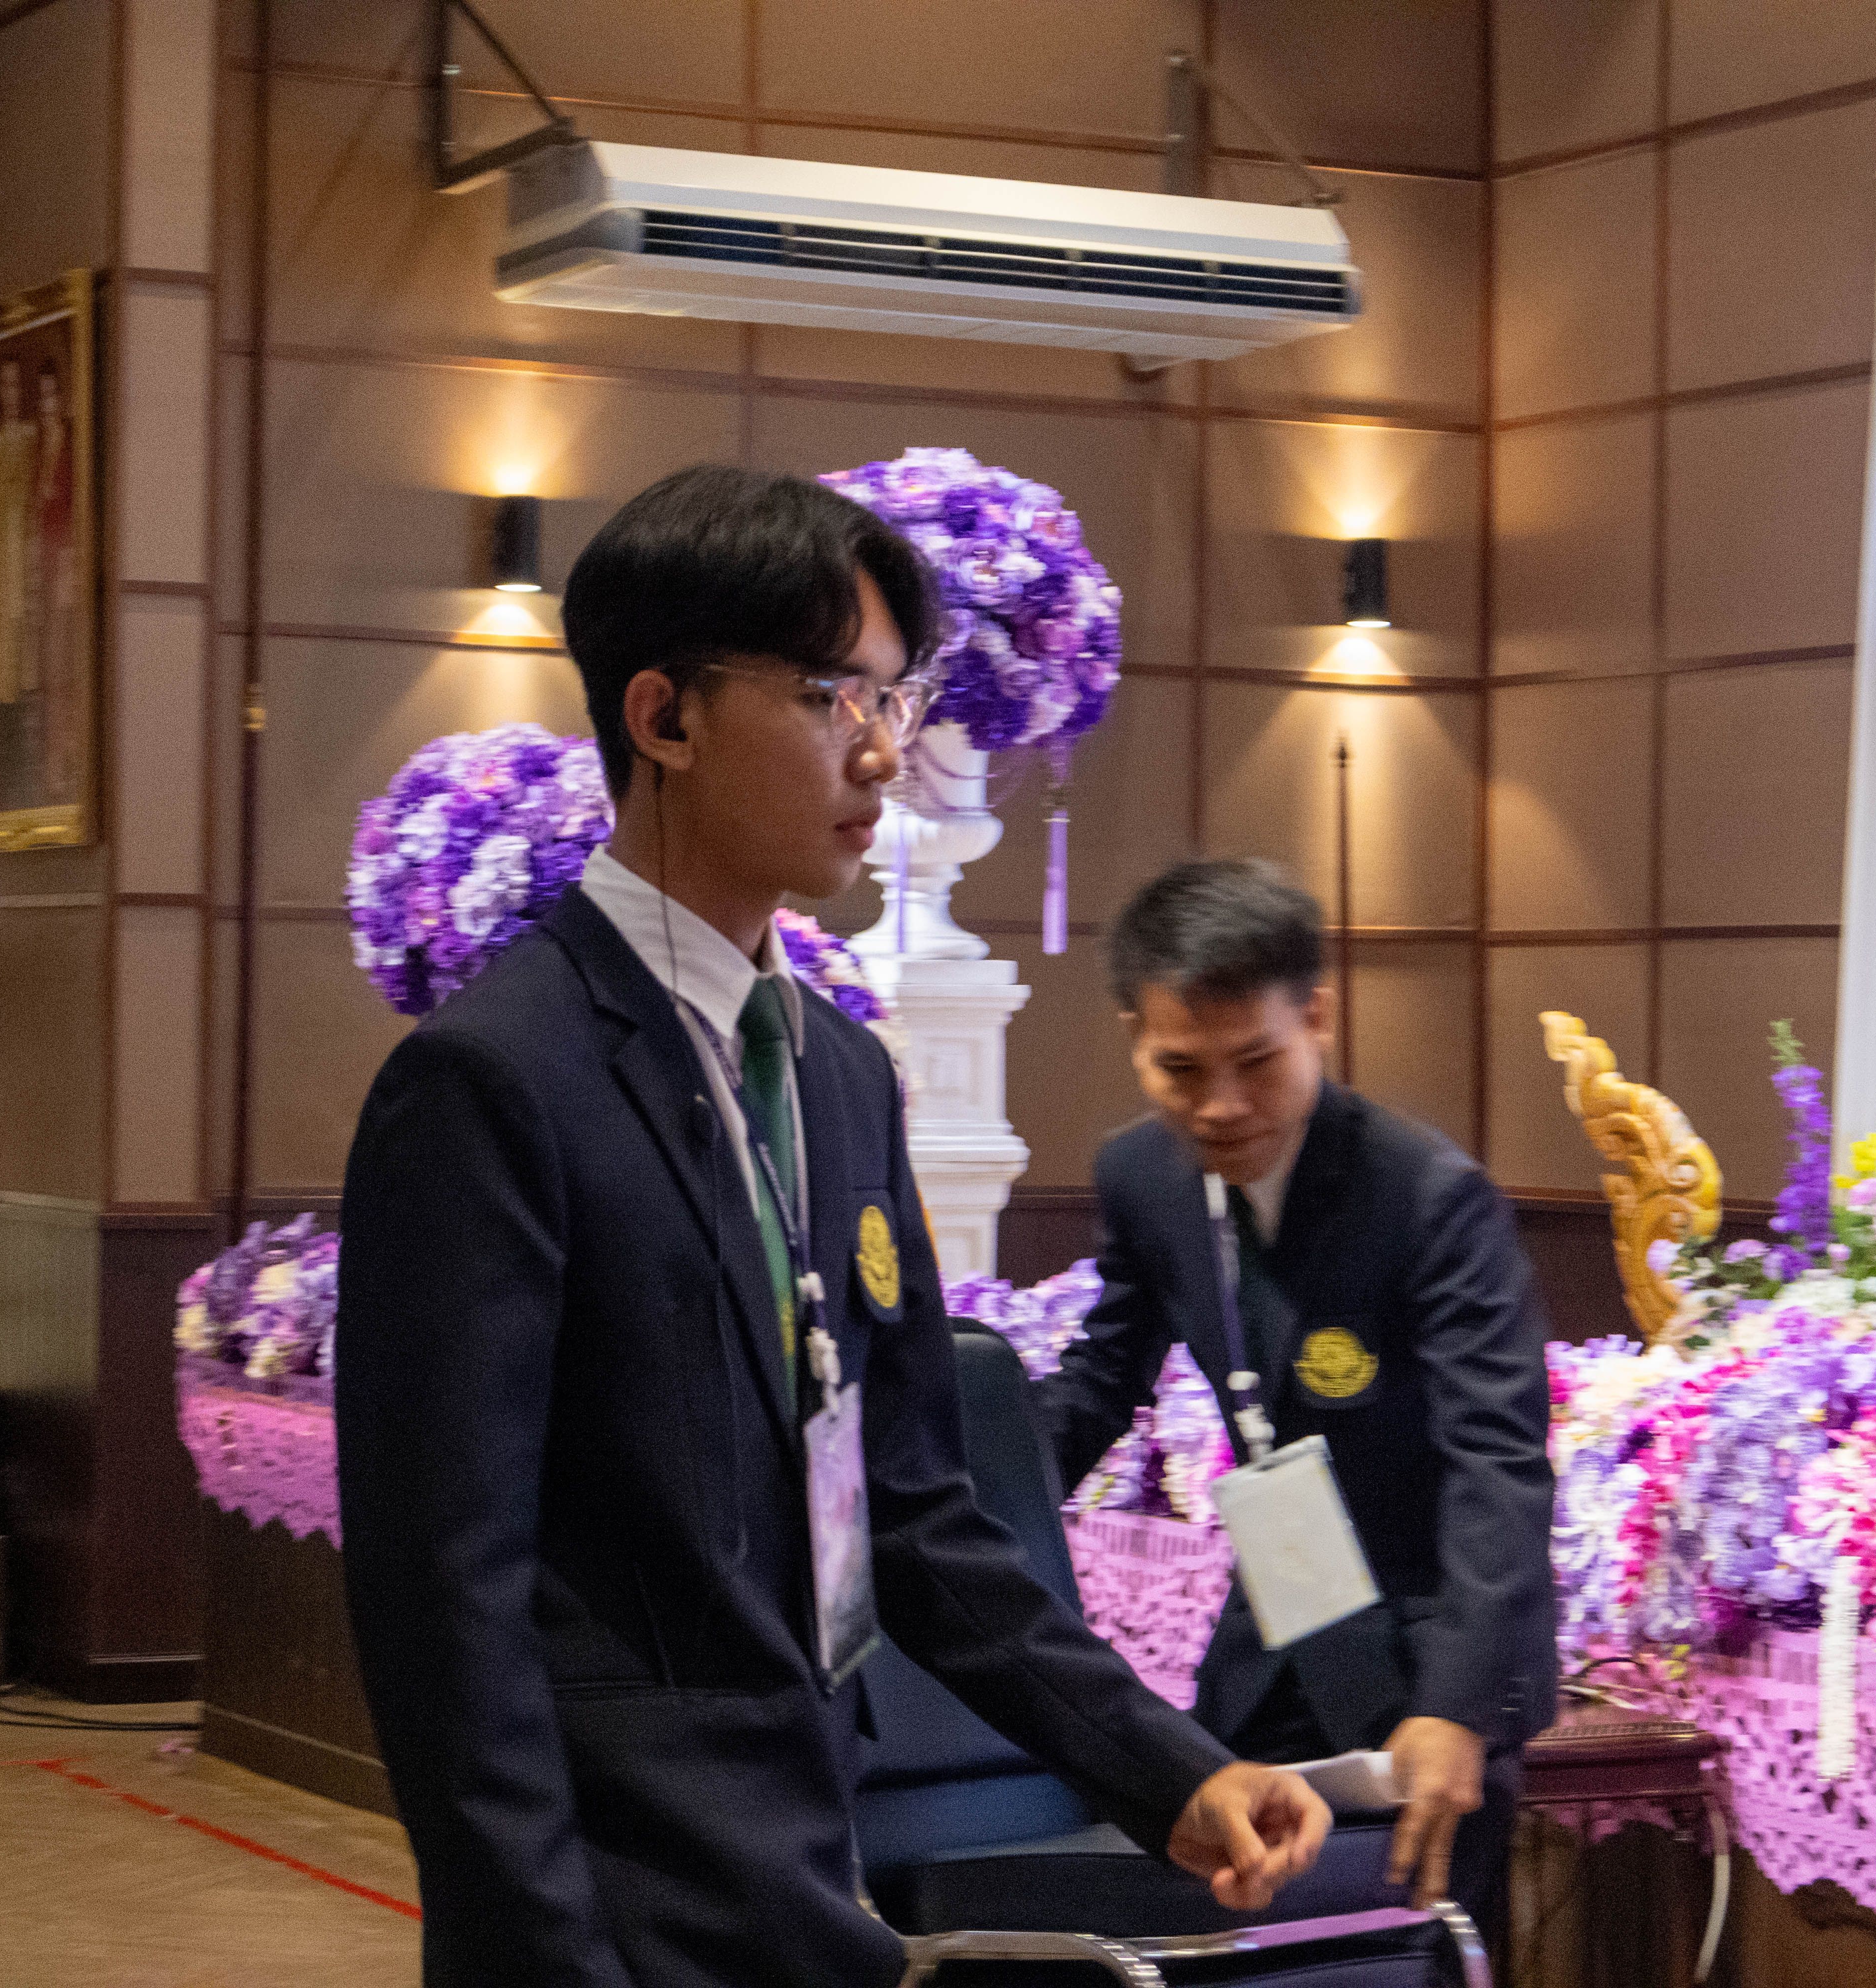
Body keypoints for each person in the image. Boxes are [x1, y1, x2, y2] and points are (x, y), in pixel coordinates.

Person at [335, 466, 1329, 1988]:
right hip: (611, 1915)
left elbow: (919, 1516)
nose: (883, 750)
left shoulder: (842, 1076)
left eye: (894, 696)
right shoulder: (495, 1082)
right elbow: (445, 1611)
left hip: (811, 1881)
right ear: (663, 718)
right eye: (827, 696)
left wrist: (1167, 1772)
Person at [1031, 858, 1556, 1968]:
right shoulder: (1144, 1175)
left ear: (1316, 1015)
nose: (1221, 1106)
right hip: (1279, 1629)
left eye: (1257, 1062)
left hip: (1430, 1646)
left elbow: (1496, 1462)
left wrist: (1458, 1704)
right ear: (1134, 1037)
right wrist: (968, 1509)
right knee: (1234, 1942)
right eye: (1181, 1069)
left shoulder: (1427, 1195)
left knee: (1414, 1959)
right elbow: (1097, 1385)